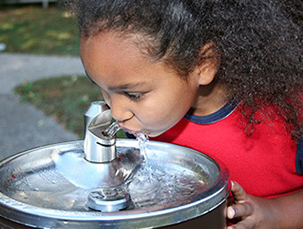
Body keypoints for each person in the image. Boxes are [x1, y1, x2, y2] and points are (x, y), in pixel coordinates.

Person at [70, 0, 303, 228]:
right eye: (104, 90)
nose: (117, 113)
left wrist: (276, 214)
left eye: (133, 94)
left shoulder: (290, 115)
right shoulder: (146, 124)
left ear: (203, 64)